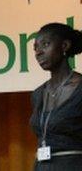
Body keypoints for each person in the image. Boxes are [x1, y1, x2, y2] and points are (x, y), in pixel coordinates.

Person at [30, 22, 82, 170]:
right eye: (36, 48)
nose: (38, 52)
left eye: (45, 44)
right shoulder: (38, 94)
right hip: (42, 166)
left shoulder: (79, 88)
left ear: (64, 46)